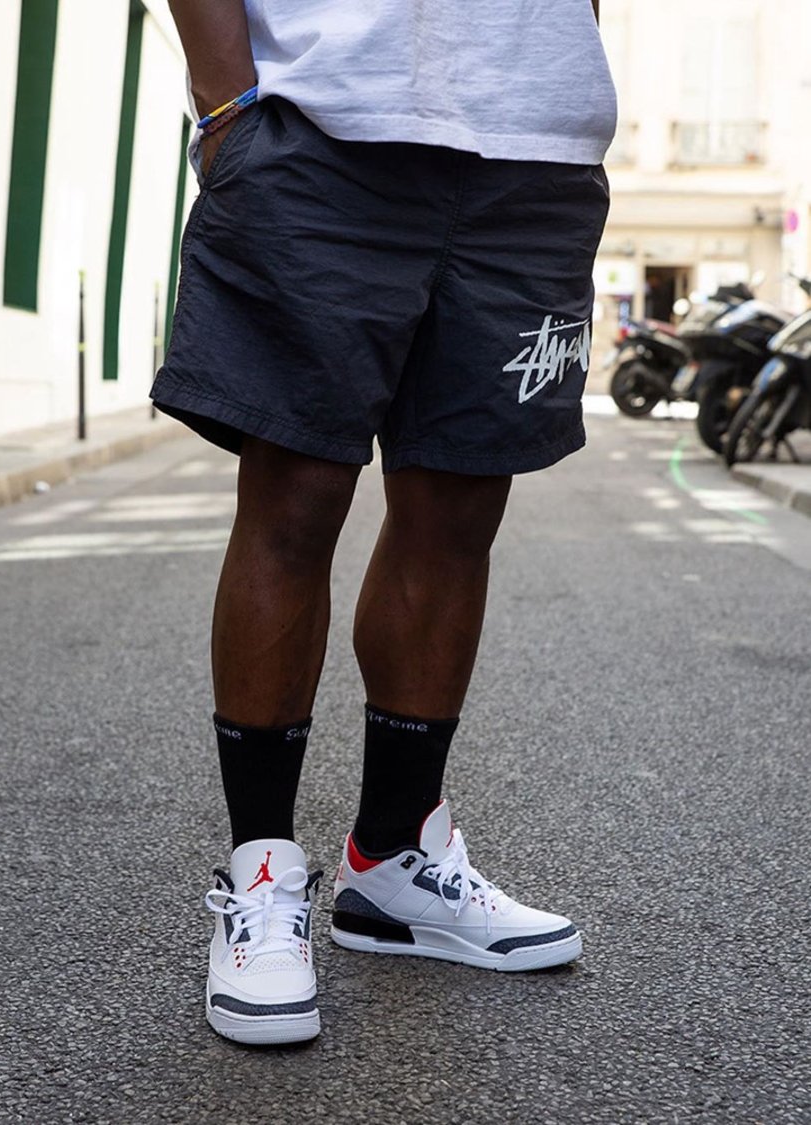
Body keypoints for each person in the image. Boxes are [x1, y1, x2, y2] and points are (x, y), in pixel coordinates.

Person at [152, 0, 615, 1046]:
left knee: (461, 502)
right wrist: (225, 108)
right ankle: (260, 875)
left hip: (536, 151)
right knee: (298, 491)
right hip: (323, 126)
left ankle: (395, 861)